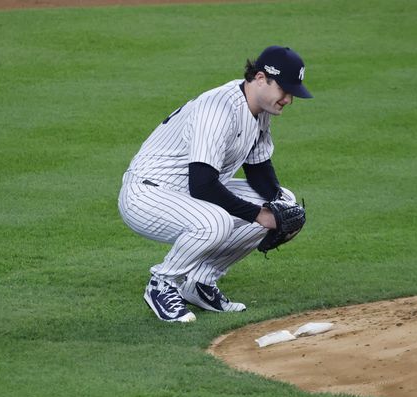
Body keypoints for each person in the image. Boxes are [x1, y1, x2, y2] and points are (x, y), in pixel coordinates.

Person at [118, 45, 312, 323]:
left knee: (283, 202)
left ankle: (199, 282)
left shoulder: (260, 108)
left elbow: (258, 169)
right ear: (260, 79)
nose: (289, 100)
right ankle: (162, 283)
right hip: (147, 194)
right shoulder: (218, 108)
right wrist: (261, 216)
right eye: (285, 90)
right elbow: (202, 186)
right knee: (215, 222)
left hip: (186, 192)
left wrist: (280, 209)